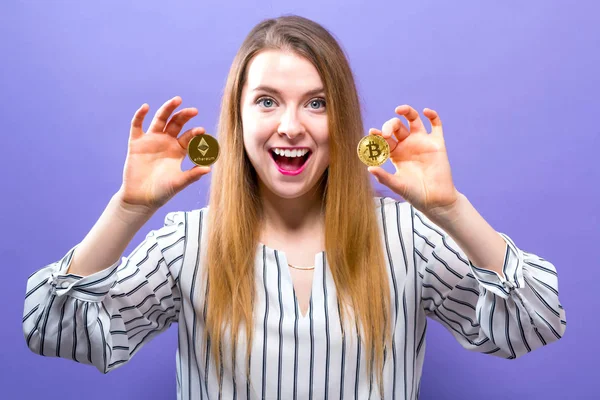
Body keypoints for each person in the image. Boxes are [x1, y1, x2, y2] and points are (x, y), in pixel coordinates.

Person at [23, 15, 566, 400]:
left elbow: (535, 321)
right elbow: (54, 329)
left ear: (344, 122)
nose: (290, 125)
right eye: (266, 101)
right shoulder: (188, 243)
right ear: (235, 122)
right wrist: (127, 209)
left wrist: (451, 209)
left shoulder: (407, 237)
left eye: (317, 103)